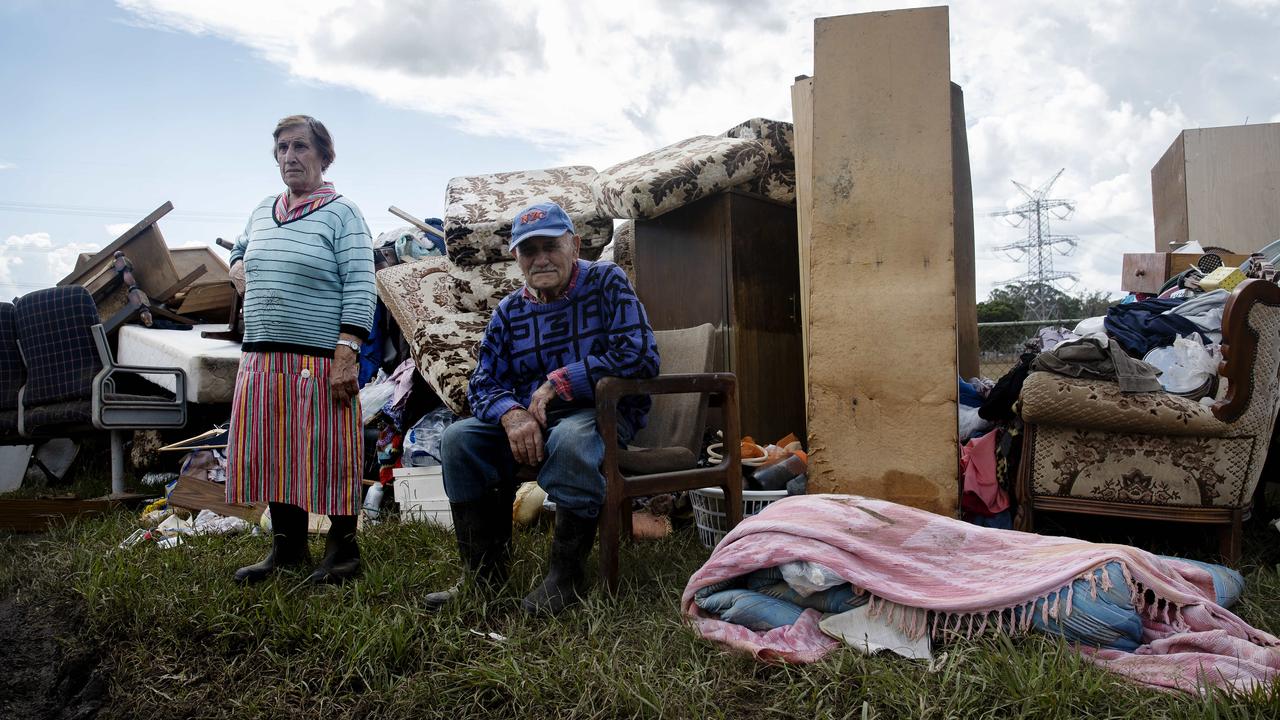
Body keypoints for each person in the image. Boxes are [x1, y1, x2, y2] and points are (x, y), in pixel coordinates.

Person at [427, 201, 659, 616]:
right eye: (529, 251)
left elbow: (640, 354)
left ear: (575, 245)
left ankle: (564, 580)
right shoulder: (509, 310)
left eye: (550, 246)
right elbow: (483, 382)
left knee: (571, 438)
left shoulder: (607, 281)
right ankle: (484, 580)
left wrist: (560, 381)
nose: (541, 259)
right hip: (535, 420)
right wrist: (511, 414)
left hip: (602, 413)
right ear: (516, 258)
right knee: (459, 439)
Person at [225, 115, 376, 584]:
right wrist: (237, 268)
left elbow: (360, 284)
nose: (290, 156)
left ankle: (343, 554)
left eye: (301, 147)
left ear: (324, 156)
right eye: (283, 148)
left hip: (318, 360)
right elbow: (241, 249)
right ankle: (286, 551)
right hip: (262, 359)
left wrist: (346, 352)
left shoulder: (342, 213)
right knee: (272, 454)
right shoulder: (261, 210)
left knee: (328, 453)